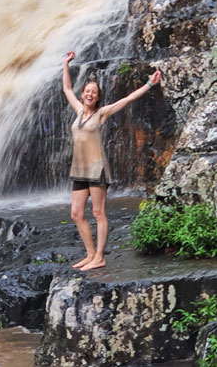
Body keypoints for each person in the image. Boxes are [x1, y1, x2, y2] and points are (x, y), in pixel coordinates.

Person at [62, 51, 162, 271]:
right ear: (83, 94)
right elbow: (67, 89)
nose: (90, 94)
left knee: (99, 213)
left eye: (94, 93)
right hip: (79, 169)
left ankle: (99, 257)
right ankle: (89, 254)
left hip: (97, 169)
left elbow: (127, 99)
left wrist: (149, 83)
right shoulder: (78, 111)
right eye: (87, 91)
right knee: (76, 213)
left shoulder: (102, 113)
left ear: (98, 98)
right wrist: (66, 64)